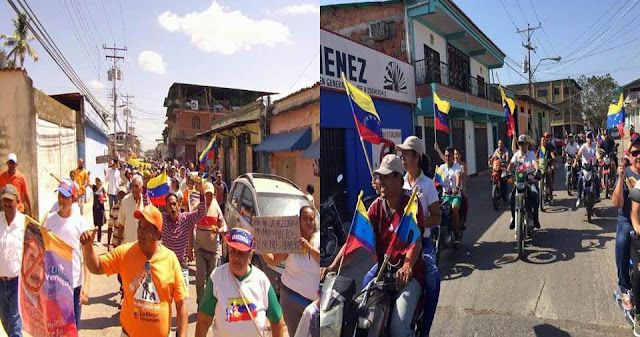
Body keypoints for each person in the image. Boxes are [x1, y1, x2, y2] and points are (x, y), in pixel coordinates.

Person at [323, 154, 424, 336]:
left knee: (398, 330)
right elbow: (354, 243)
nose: (380, 181)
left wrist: (408, 266)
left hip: (408, 276)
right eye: (379, 177)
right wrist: (331, 267)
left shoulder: (411, 205)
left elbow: (415, 242)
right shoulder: (375, 207)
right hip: (382, 273)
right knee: (360, 317)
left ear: (398, 178)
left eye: (386, 177)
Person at [80, 203, 189, 337]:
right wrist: (88, 248)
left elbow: (181, 304)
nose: (140, 232)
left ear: (157, 234)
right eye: (139, 226)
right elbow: (96, 267)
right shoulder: (125, 253)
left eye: (146, 228)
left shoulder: (170, 259)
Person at [195, 228, 285, 337]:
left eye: (241, 253)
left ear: (251, 255)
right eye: (233, 251)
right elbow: (203, 321)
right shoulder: (217, 277)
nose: (236, 257)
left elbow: (277, 321)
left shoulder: (262, 281)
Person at [395, 136, 441, 335]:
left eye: (406, 154)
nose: (402, 158)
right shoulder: (400, 182)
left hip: (424, 242)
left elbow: (437, 217)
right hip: (398, 243)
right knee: (371, 278)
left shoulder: (428, 184)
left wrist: (419, 223)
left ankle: (425, 330)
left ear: (416, 156)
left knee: (433, 279)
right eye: (402, 154)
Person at [262, 206, 320, 333]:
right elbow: (273, 260)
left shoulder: (319, 240)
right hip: (291, 298)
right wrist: (261, 246)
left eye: (312, 219)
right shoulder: (291, 241)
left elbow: (324, 261)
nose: (309, 222)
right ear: (298, 221)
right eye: (305, 219)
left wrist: (309, 247)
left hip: (314, 304)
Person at [44, 179, 90, 329]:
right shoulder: (49, 221)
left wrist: (86, 287)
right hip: (55, 285)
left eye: (65, 196)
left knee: (72, 329)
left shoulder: (80, 222)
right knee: (55, 329)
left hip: (74, 286)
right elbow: (42, 251)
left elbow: (87, 256)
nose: (61, 200)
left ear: (73, 198)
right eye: (60, 196)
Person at [612, 133, 640, 312]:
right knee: (622, 240)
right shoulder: (626, 173)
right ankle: (625, 288)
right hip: (627, 219)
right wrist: (621, 178)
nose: (639, 156)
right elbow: (617, 203)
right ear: (629, 155)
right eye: (635, 153)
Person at [162, 181, 207, 288]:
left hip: (182, 265)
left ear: (178, 205)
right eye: (170, 205)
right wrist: (144, 186)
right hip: (166, 265)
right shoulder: (163, 219)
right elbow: (148, 208)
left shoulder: (186, 218)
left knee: (181, 299)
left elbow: (202, 213)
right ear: (166, 208)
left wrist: (201, 193)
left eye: (174, 204)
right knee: (165, 297)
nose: (172, 207)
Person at [194, 182, 227, 306]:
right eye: (206, 194)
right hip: (200, 249)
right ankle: (200, 303)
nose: (208, 197)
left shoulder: (216, 208)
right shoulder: (198, 207)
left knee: (211, 280)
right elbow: (191, 223)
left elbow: (224, 225)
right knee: (200, 278)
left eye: (210, 194)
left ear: (213, 195)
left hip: (213, 250)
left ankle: (209, 305)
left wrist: (219, 230)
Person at [0, 184, 25, 337]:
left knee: (16, 324)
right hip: (0, 282)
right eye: (5, 200)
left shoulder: (25, 223)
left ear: (17, 201)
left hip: (17, 282)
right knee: (6, 322)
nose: (7, 204)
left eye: (10, 200)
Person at [507, 134, 540, 229]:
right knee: (511, 197)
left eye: (523, 143)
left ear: (527, 144)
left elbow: (534, 163)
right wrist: (508, 172)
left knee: (535, 194)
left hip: (529, 180)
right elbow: (511, 164)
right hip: (519, 181)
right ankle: (513, 218)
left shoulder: (531, 154)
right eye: (520, 143)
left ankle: (534, 218)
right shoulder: (516, 155)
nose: (522, 145)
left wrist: (537, 170)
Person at [437, 146, 463, 233]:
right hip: (445, 196)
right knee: (437, 209)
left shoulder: (457, 166)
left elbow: (458, 176)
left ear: (452, 157)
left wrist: (457, 187)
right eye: (446, 155)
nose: (447, 157)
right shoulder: (442, 167)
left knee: (454, 207)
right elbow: (436, 179)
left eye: (449, 155)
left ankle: (456, 232)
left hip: (455, 196)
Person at [576, 131, 601, 207]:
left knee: (596, 179)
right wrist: (576, 160)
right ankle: (579, 198)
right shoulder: (583, 146)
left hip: (592, 167)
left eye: (590, 138)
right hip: (584, 168)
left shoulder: (595, 145)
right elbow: (579, 154)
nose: (589, 139)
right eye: (588, 138)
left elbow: (597, 153)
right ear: (586, 139)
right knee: (580, 179)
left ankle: (597, 196)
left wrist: (599, 159)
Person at [537, 133, 557, 200]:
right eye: (542, 140)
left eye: (545, 140)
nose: (544, 141)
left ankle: (551, 188)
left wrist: (553, 157)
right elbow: (536, 155)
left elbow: (552, 153)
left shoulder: (549, 147)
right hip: (541, 165)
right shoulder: (539, 148)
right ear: (540, 142)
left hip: (548, 163)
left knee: (550, 171)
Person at [108, 187, 127, 251]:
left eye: (123, 194)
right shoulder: (114, 209)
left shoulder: (129, 208)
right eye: (120, 194)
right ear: (118, 196)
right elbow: (110, 227)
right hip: (116, 243)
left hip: (126, 242)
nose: (122, 196)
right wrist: (108, 244)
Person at [92, 177, 107, 244]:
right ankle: (94, 238)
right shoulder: (94, 188)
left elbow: (106, 198)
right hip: (95, 207)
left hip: (101, 208)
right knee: (95, 223)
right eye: (96, 182)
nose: (97, 183)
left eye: (98, 181)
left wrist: (102, 199)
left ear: (101, 182)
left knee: (100, 224)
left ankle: (99, 239)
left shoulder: (103, 189)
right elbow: (88, 183)